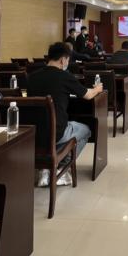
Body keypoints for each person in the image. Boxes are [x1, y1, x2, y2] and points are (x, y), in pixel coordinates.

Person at [26, 42, 103, 186]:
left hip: (33, 134)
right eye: (68, 60)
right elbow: (87, 95)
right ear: (63, 60)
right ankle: (60, 169)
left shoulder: (32, 77)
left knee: (60, 126)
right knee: (86, 130)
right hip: (56, 132)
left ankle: (45, 169)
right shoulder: (64, 76)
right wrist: (98, 89)